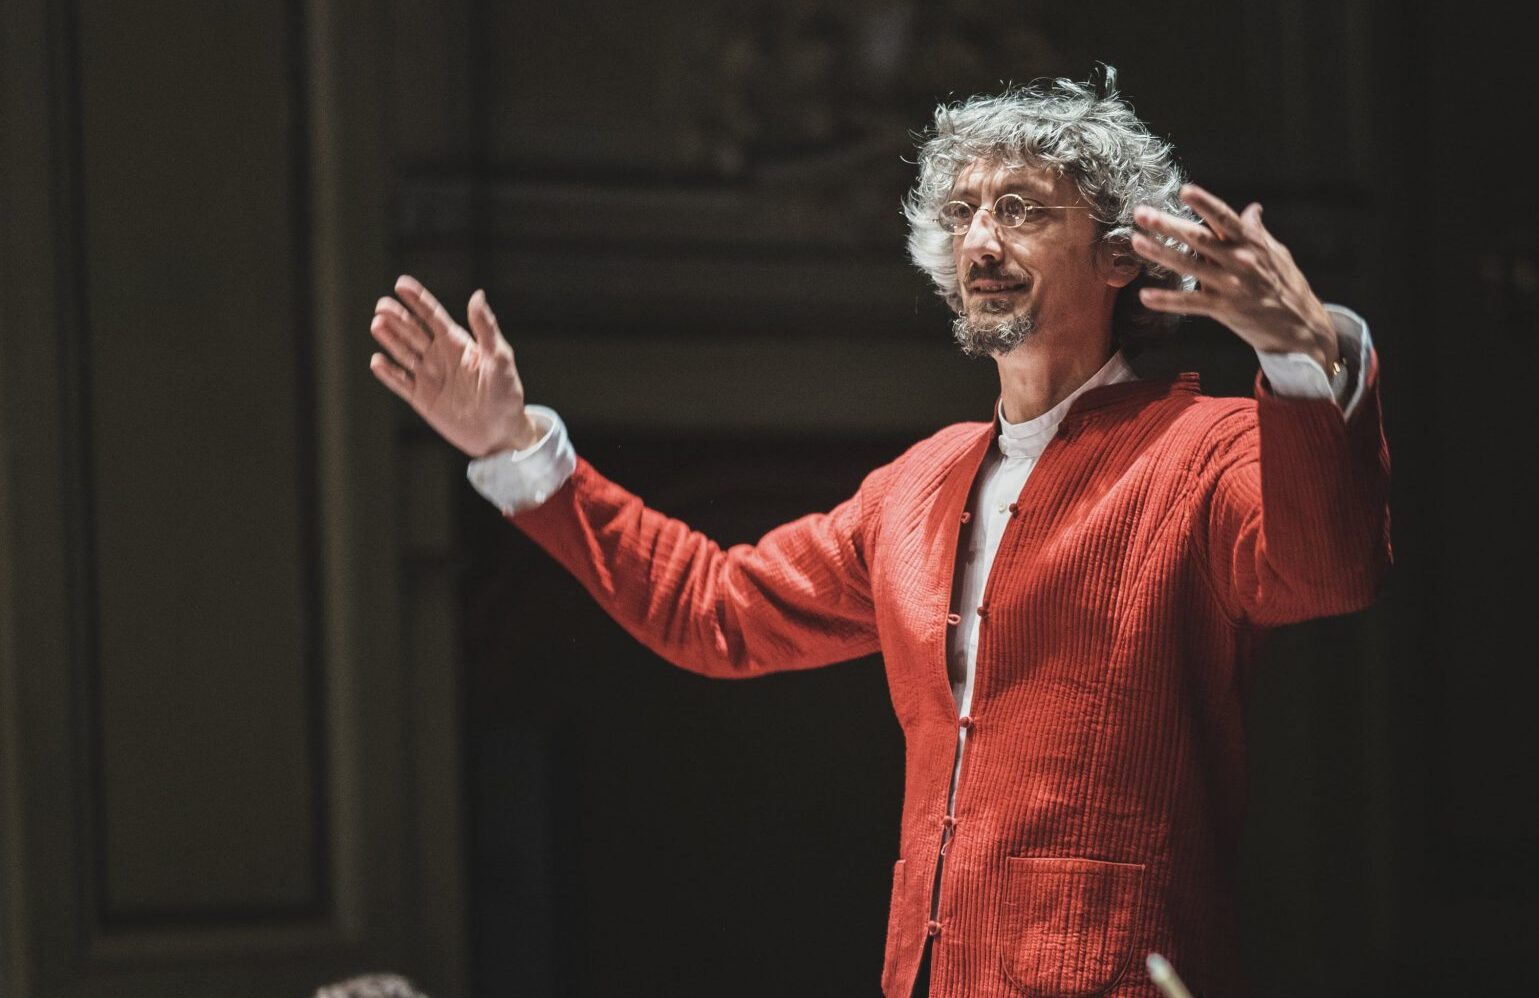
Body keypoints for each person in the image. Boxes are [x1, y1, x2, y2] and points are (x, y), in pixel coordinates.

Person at [368, 75, 1390, 998]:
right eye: (962, 212)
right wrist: (516, 447)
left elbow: (1331, 571)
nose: (980, 242)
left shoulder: (1203, 447)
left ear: (1120, 253)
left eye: (1021, 209)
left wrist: (1306, 357)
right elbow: (713, 610)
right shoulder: (915, 486)